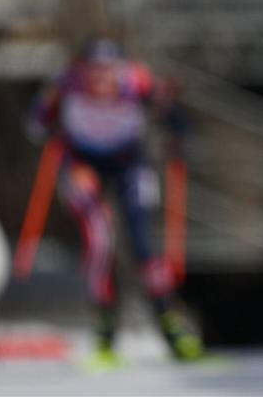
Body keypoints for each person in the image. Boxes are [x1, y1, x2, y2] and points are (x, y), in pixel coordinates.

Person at [26, 37, 203, 366]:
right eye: (94, 70)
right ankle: (105, 334)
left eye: (108, 70)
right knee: (99, 243)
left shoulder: (137, 81)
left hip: (128, 164)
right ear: (82, 70)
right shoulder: (66, 84)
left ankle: (172, 328)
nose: (101, 79)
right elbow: (36, 122)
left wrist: (178, 135)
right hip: (84, 167)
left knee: (143, 246)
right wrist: (51, 132)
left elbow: (172, 115)